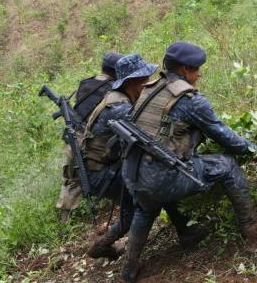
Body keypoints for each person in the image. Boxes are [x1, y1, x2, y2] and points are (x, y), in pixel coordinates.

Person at [119, 42, 257, 282]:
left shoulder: (150, 89)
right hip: (161, 178)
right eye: (197, 69)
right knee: (227, 164)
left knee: (145, 210)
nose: (199, 74)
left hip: (133, 175)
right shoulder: (189, 100)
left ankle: (128, 271)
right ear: (185, 69)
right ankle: (250, 223)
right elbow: (224, 135)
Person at [83, 54, 207, 260]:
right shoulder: (120, 108)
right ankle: (106, 246)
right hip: (100, 173)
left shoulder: (119, 98)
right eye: (144, 81)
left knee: (151, 183)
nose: (148, 85)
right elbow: (151, 136)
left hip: (103, 167)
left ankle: (186, 231)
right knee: (148, 194)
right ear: (131, 83)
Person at [55, 52, 123, 222]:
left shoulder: (85, 83)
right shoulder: (113, 89)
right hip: (93, 143)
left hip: (74, 140)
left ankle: (65, 219)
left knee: (70, 179)